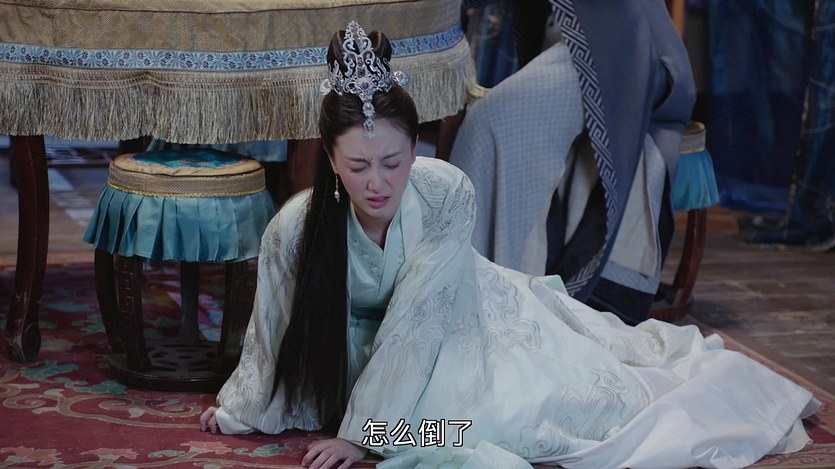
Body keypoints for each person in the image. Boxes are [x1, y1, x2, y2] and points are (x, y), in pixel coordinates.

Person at [199, 21, 819, 469]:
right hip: (373, 356)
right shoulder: (295, 226)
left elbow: (418, 322)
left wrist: (363, 435)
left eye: (393, 161)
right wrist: (243, 408)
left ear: (415, 148)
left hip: (463, 327)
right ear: (331, 161)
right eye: (358, 166)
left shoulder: (445, 193)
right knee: (394, 422)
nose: (377, 183)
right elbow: (272, 325)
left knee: (509, 421)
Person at [449, 0, 697, 324]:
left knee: (495, 122)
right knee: (491, 121)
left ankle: (501, 293)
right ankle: (473, 282)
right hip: (567, 28)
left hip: (618, 37)